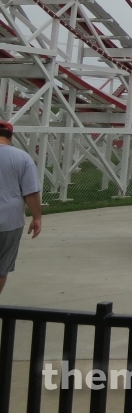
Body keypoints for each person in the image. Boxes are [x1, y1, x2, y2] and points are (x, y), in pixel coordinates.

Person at [0, 120, 42, 296]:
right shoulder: (23, 158)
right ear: (11, 136)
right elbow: (30, 193)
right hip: (9, 221)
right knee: (2, 266)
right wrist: (37, 217)